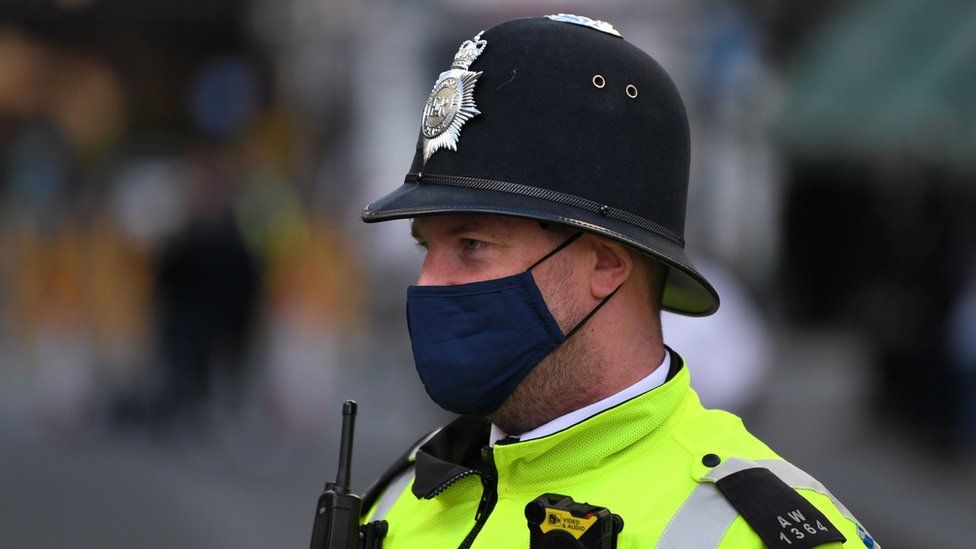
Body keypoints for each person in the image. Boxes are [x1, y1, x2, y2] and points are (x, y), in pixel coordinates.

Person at [357, 15, 878, 548]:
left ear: (605, 264)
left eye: (471, 246)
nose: (429, 282)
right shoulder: (401, 495)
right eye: (426, 246)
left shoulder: (754, 533)